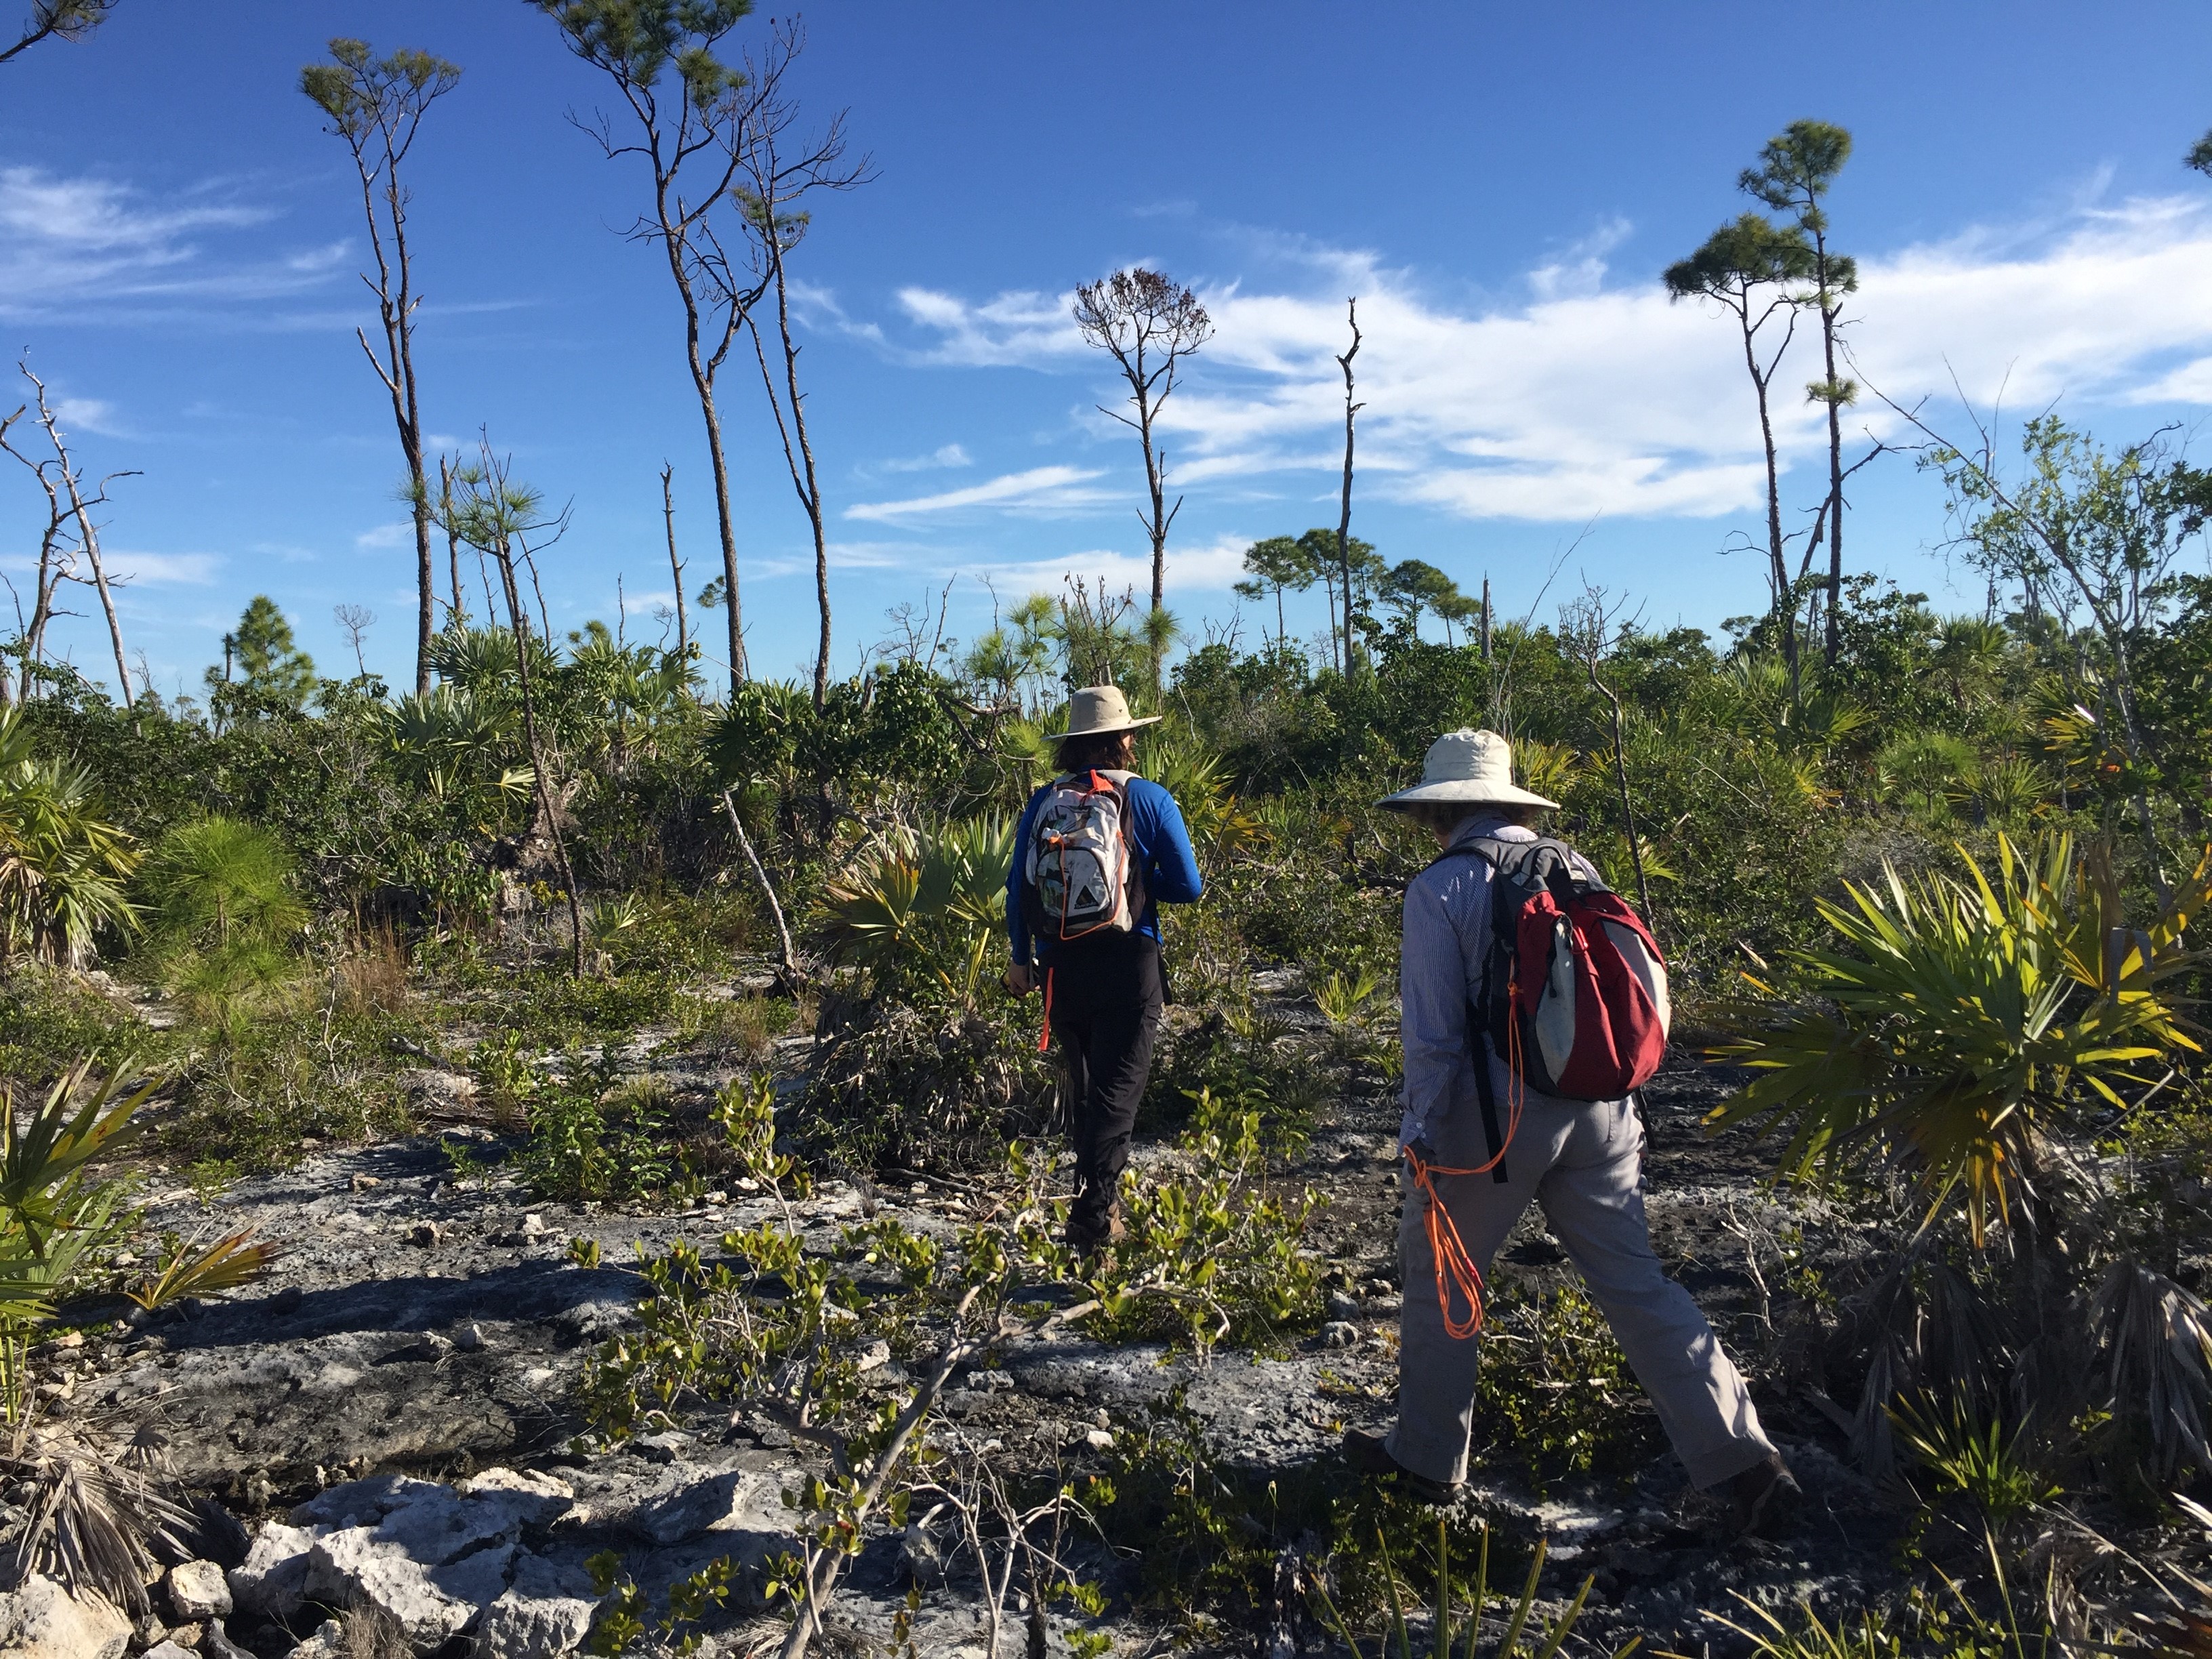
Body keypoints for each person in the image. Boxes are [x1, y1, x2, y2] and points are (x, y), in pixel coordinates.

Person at [1343, 726, 1797, 1533]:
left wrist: (1418, 1135)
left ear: (1440, 811)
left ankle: (1425, 1462)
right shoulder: (1575, 867)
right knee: (1635, 1282)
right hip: (1603, 1111)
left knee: (1444, 1281)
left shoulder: (1440, 887)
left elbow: (1436, 1036)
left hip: (1496, 1124)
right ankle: (1740, 1456)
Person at [1004, 684, 1204, 1253]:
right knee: (1120, 1091)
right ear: (1122, 741)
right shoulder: (1150, 799)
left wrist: (1021, 960)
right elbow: (1189, 886)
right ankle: (1092, 1221)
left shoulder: (1045, 800)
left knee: (1091, 1089)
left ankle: (1099, 1205)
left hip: (1062, 966)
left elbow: (1020, 888)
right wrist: (1137, 882)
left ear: (1071, 743)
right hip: (1129, 959)